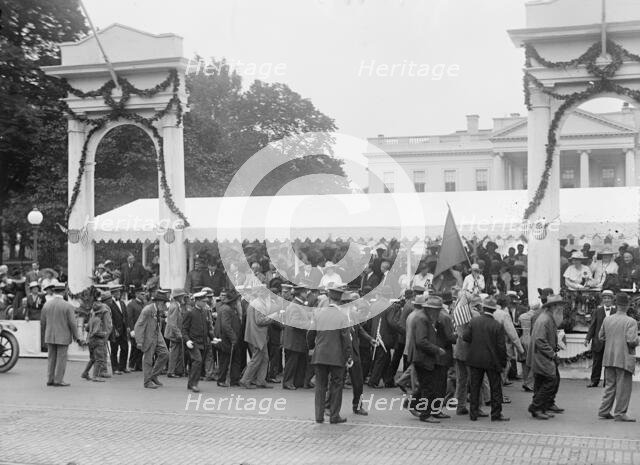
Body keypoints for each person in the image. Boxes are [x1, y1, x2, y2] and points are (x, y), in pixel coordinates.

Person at [307, 286, 352, 424]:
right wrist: (348, 356)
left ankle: (319, 416)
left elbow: (310, 334)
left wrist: (312, 347)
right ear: (340, 299)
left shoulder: (319, 314)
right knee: (336, 385)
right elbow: (346, 339)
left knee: (320, 386)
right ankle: (334, 415)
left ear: (329, 297)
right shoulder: (342, 316)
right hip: (336, 356)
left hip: (320, 355)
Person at [463, 297, 509, 422]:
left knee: (475, 387)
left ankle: (473, 414)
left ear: (483, 308)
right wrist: (503, 362)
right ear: (494, 310)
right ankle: (496, 414)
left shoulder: (474, 321)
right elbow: (501, 347)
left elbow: (466, 337)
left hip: (475, 359)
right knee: (495, 388)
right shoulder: (497, 325)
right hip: (492, 360)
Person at [598, 292, 640, 421]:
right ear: (627, 306)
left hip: (609, 357)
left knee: (610, 386)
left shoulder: (607, 319)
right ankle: (620, 413)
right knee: (624, 388)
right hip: (624, 358)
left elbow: (601, 336)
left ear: (616, 305)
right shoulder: (631, 322)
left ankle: (604, 411)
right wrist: (638, 339)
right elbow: (631, 341)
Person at [406, 295, 446, 423]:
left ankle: (413, 404)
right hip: (422, 358)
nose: (439, 312)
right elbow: (421, 341)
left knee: (426, 385)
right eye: (437, 309)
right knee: (428, 387)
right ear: (431, 309)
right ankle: (425, 414)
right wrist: (437, 349)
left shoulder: (425, 317)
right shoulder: (422, 319)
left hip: (423, 357)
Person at [527, 294, 565, 420]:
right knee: (551, 380)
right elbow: (540, 340)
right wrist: (552, 353)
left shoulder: (547, 317)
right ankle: (536, 407)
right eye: (559, 305)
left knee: (541, 382)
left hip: (541, 355)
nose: (561, 307)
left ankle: (541, 408)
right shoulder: (545, 319)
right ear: (553, 306)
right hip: (542, 356)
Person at [40, 283, 81, 387]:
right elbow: (72, 323)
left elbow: (43, 323)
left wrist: (45, 335)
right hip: (63, 336)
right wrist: (76, 336)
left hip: (49, 335)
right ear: (64, 292)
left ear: (54, 292)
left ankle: (50, 379)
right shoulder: (67, 306)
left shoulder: (47, 304)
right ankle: (58, 380)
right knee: (61, 359)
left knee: (51, 358)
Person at [240, 286, 278, 389]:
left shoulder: (256, 302)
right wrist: (273, 316)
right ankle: (245, 380)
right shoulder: (259, 304)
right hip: (258, 335)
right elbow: (260, 321)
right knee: (256, 359)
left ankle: (260, 381)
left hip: (256, 334)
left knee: (264, 358)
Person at [134, 290, 170, 389]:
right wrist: (139, 341)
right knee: (148, 360)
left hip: (157, 335)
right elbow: (139, 325)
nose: (165, 305)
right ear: (159, 302)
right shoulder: (147, 310)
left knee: (165, 354)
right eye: (164, 303)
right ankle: (147, 382)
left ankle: (153, 376)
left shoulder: (157, 310)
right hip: (148, 337)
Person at [282, 284, 311, 390]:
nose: (306, 294)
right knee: (292, 363)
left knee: (299, 362)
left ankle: (297, 381)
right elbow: (294, 322)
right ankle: (287, 382)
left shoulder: (298, 304)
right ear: (301, 293)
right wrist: (308, 324)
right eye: (305, 292)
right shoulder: (295, 305)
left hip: (297, 339)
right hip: (294, 339)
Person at [585, 290, 616, 387]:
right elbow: (593, 326)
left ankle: (608, 382)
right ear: (602, 299)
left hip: (611, 342)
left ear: (612, 300)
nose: (606, 300)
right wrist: (588, 338)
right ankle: (594, 381)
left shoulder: (616, 312)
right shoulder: (597, 311)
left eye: (609, 298)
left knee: (609, 363)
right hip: (598, 341)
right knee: (596, 362)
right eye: (605, 298)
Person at [182, 290, 212, 393]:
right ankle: (194, 384)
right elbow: (184, 329)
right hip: (193, 342)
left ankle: (191, 383)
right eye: (203, 301)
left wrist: (213, 338)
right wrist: (187, 340)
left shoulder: (204, 312)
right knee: (197, 361)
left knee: (197, 363)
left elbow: (207, 328)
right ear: (197, 301)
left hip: (203, 342)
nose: (205, 303)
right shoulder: (189, 313)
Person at [81, 292, 113, 382]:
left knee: (93, 358)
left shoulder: (93, 313)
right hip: (99, 338)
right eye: (110, 299)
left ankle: (85, 372)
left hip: (91, 338)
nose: (111, 301)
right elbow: (108, 325)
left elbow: (87, 328)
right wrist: (105, 335)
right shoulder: (104, 312)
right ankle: (96, 376)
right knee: (100, 358)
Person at [216, 289, 243, 387]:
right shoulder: (226, 309)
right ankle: (221, 379)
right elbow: (225, 326)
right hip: (227, 339)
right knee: (225, 360)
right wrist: (233, 338)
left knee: (235, 359)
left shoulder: (229, 309)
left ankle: (234, 380)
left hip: (231, 338)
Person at [165, 288, 189, 378]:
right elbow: (172, 323)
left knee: (177, 352)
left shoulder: (175, 305)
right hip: (174, 334)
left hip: (175, 333)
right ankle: (171, 371)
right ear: (178, 297)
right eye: (182, 295)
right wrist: (179, 334)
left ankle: (177, 370)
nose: (183, 297)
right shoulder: (174, 306)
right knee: (174, 353)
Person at [107, 286, 129, 375]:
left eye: (119, 292)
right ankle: (115, 368)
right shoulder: (110, 304)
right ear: (113, 293)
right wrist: (113, 329)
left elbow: (125, 315)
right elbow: (110, 318)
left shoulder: (122, 303)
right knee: (114, 349)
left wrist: (127, 327)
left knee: (125, 348)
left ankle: (122, 367)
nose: (119, 294)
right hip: (115, 330)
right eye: (117, 292)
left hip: (123, 329)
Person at [126, 286, 145, 371]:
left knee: (140, 348)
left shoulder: (143, 304)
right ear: (137, 294)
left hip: (142, 329)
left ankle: (139, 365)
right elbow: (129, 318)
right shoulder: (131, 304)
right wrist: (131, 329)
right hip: (135, 329)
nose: (144, 295)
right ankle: (131, 364)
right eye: (142, 294)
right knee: (134, 348)